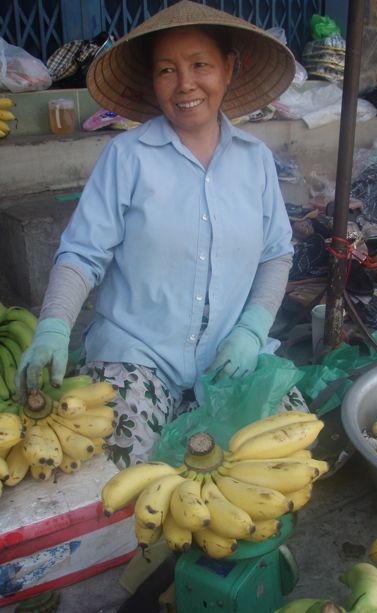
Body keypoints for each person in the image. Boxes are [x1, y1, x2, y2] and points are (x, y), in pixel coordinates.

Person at [16, 0, 305, 468]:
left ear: (230, 68)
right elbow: (83, 254)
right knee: (119, 467)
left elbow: (276, 255)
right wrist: (52, 328)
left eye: (200, 65)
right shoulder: (127, 157)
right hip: (137, 354)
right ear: (153, 82)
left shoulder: (255, 160)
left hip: (229, 357)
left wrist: (252, 331)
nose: (185, 84)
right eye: (167, 70)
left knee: (285, 455)